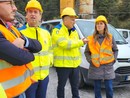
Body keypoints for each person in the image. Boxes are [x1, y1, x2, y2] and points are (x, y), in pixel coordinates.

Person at [0, 0, 42, 98]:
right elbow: (19, 58)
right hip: (7, 93)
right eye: (9, 3)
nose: (15, 8)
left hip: (20, 89)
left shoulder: (10, 28)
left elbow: (38, 46)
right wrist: (31, 54)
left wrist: (24, 41)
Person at [18, 0, 53, 98]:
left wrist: (50, 61)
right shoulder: (19, 33)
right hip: (28, 78)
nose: (33, 14)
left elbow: (50, 49)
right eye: (30, 11)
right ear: (26, 15)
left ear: (40, 16)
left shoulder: (46, 33)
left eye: (36, 12)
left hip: (44, 77)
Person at [51, 7, 88, 98]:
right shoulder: (57, 30)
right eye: (72, 19)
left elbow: (75, 46)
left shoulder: (74, 31)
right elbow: (65, 44)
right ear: (65, 19)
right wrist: (81, 42)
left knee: (75, 87)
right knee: (61, 86)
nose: (74, 22)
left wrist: (80, 42)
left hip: (74, 65)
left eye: (74, 19)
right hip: (63, 65)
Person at [84, 15, 118, 98]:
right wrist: (91, 61)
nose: (99, 25)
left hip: (108, 67)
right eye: (97, 24)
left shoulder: (110, 37)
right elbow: (87, 52)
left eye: (101, 23)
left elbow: (115, 50)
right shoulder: (91, 39)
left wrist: (113, 60)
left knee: (109, 88)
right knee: (97, 89)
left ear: (105, 25)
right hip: (96, 67)